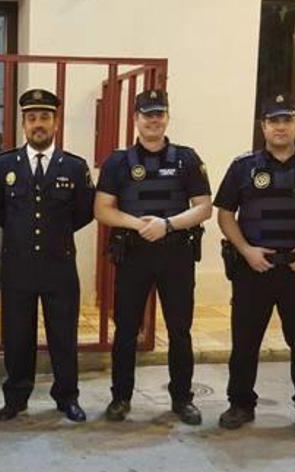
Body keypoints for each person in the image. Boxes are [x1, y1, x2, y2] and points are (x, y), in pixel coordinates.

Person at [214, 93, 295, 439]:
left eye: (287, 120)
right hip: (254, 270)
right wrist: (246, 251)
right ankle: (240, 404)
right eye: (274, 121)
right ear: (264, 127)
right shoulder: (243, 168)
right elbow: (224, 214)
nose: (280, 127)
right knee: (245, 343)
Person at [93, 89, 212, 424]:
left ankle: (181, 399)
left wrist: (168, 225)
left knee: (179, 330)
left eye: (159, 113)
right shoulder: (118, 162)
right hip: (133, 255)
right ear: (135, 119)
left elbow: (204, 208)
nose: (154, 120)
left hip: (175, 256)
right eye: (147, 114)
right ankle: (120, 397)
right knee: (126, 330)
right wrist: (139, 225)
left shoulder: (186, 159)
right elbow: (102, 209)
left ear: (167, 118)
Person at [0, 89, 95, 422]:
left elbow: (84, 212)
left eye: (45, 118)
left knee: (64, 336)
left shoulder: (74, 168)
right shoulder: (5, 164)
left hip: (59, 264)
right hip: (18, 266)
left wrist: (54, 236)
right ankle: (16, 397)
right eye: (32, 118)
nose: (38, 124)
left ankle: (67, 397)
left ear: (55, 123)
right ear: (23, 123)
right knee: (18, 336)